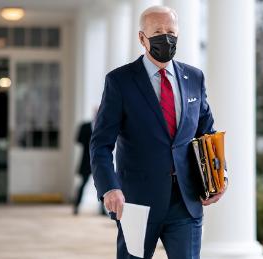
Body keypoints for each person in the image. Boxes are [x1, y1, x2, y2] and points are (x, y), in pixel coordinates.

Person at [90, 5, 228, 259]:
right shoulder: (120, 81)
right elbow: (100, 144)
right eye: (158, 31)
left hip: (186, 202)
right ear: (142, 38)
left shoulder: (194, 78)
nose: (166, 38)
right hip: (136, 203)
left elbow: (207, 132)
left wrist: (220, 176)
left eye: (171, 32)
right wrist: (109, 187)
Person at [73, 119, 107, 215]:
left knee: (102, 185)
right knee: (83, 184)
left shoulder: (103, 124)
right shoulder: (85, 125)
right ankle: (76, 206)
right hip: (86, 160)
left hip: (99, 160)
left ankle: (102, 209)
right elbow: (78, 139)